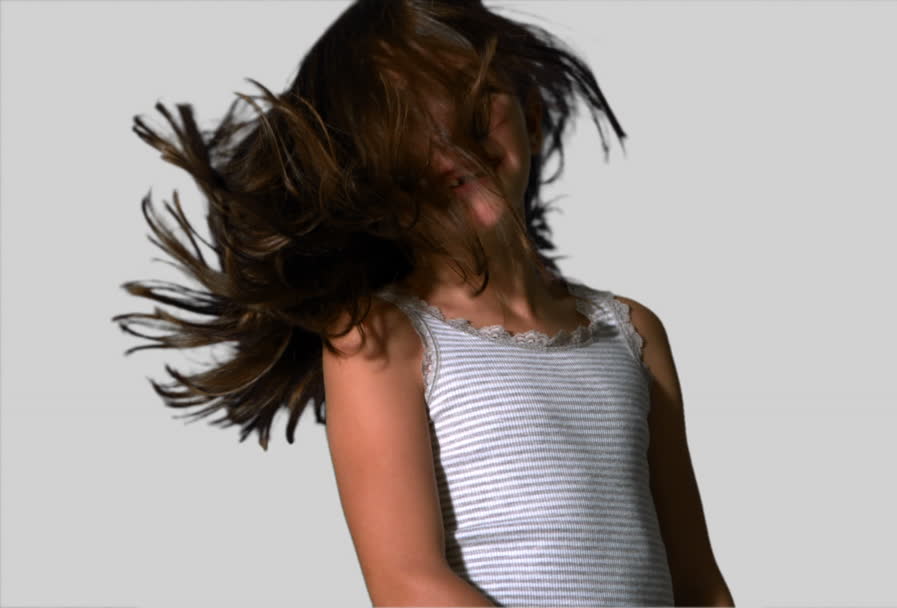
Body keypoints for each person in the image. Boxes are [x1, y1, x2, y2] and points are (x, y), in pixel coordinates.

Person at [112, 1, 735, 606]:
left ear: (531, 113)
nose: (451, 138)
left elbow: (698, 581)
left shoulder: (630, 332)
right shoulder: (380, 337)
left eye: (469, 94)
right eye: (408, 120)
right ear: (368, 177)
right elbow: (407, 583)